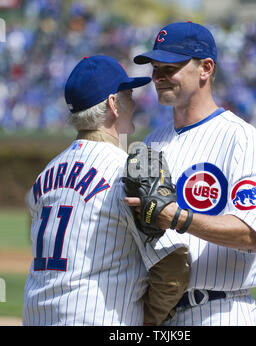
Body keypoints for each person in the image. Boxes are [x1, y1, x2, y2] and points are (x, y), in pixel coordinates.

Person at [125, 22, 256, 326]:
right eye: (155, 68)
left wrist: (177, 217)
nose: (158, 77)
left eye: (169, 68)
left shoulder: (241, 139)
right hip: (158, 314)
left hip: (219, 311)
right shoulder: (151, 143)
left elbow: (252, 233)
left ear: (206, 68)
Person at [22, 55, 190, 326]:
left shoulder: (46, 175)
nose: (134, 102)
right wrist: (147, 320)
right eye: (129, 94)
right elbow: (173, 264)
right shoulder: (127, 170)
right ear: (113, 104)